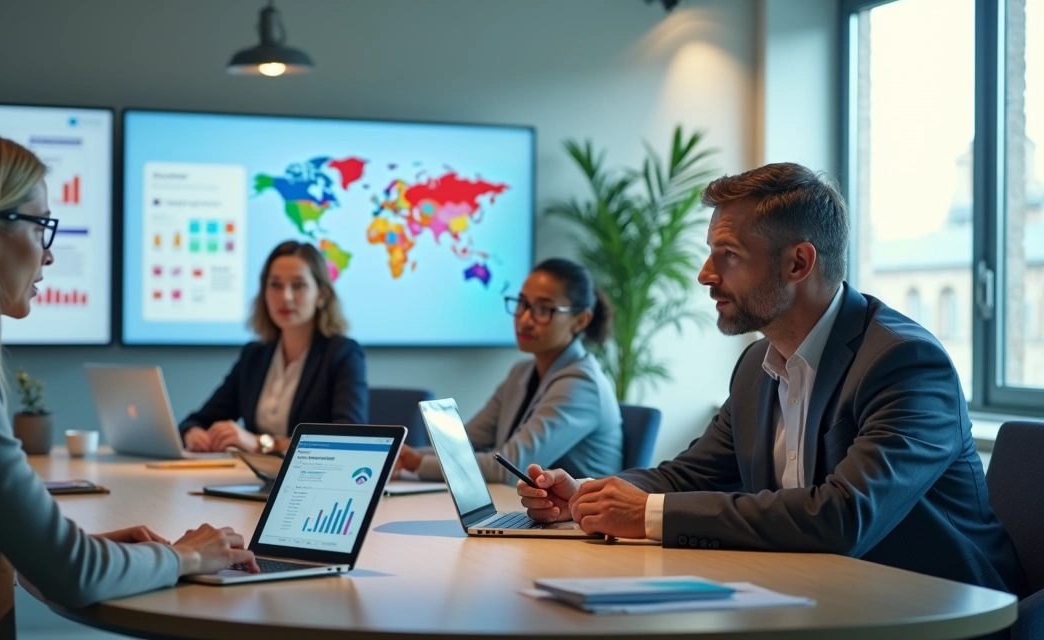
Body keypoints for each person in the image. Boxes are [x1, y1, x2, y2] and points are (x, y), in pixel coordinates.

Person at [0, 126, 258, 640]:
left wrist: (70, 548)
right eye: (41, 228)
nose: (49, 255)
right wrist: (185, 555)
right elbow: (71, 575)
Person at [517, 163, 1026, 595]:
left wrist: (648, 513)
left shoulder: (905, 364)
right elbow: (690, 476)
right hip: (820, 598)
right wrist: (588, 494)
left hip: (936, 609)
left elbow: (842, 517)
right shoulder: (756, 366)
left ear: (798, 263)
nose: (705, 274)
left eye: (728, 255)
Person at [395, 258, 623, 483]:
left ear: (581, 320)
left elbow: (511, 469)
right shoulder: (521, 373)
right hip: (526, 509)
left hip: (576, 517)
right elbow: (463, 444)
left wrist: (418, 463)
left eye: (543, 310)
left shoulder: (582, 385)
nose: (524, 320)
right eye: (522, 303)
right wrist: (404, 456)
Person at [179, 241, 368, 455]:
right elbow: (199, 420)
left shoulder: (343, 354)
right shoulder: (255, 355)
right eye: (275, 285)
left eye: (298, 285)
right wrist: (193, 433)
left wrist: (263, 443)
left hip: (311, 481)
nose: (285, 297)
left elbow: (348, 439)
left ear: (321, 296)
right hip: (253, 478)